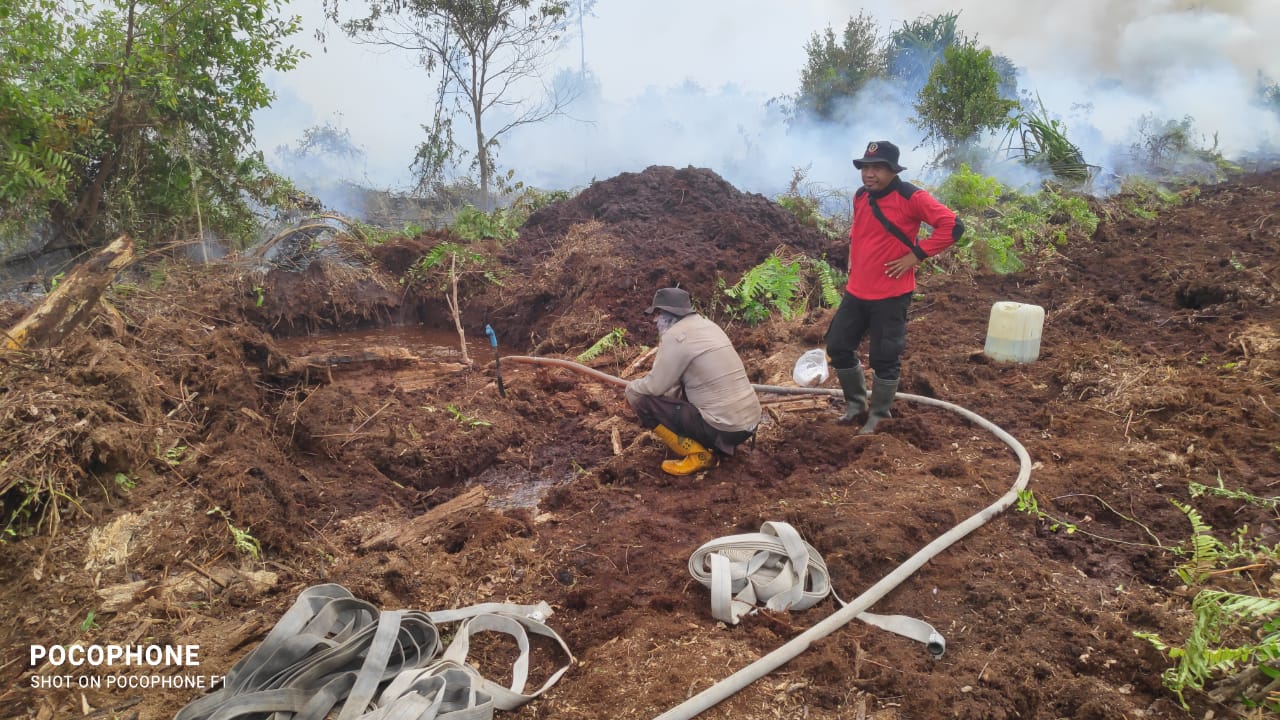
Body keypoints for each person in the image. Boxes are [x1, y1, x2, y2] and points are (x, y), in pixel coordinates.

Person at [826, 140, 964, 434]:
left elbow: (953, 226)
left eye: (877, 168)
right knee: (838, 345)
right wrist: (854, 254)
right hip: (857, 290)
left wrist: (916, 255)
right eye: (865, 167)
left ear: (892, 170)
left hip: (891, 294)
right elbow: (860, 230)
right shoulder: (861, 196)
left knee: (884, 357)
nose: (869, 174)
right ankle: (855, 405)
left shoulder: (911, 196)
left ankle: (880, 414)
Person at [625, 287, 761, 476]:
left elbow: (655, 387)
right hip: (748, 425)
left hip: (723, 429)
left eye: (656, 314)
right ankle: (716, 445)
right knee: (680, 393)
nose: (654, 321)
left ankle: (698, 455)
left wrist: (631, 388)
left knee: (643, 401)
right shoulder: (709, 325)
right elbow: (673, 386)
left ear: (667, 314)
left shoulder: (675, 336)